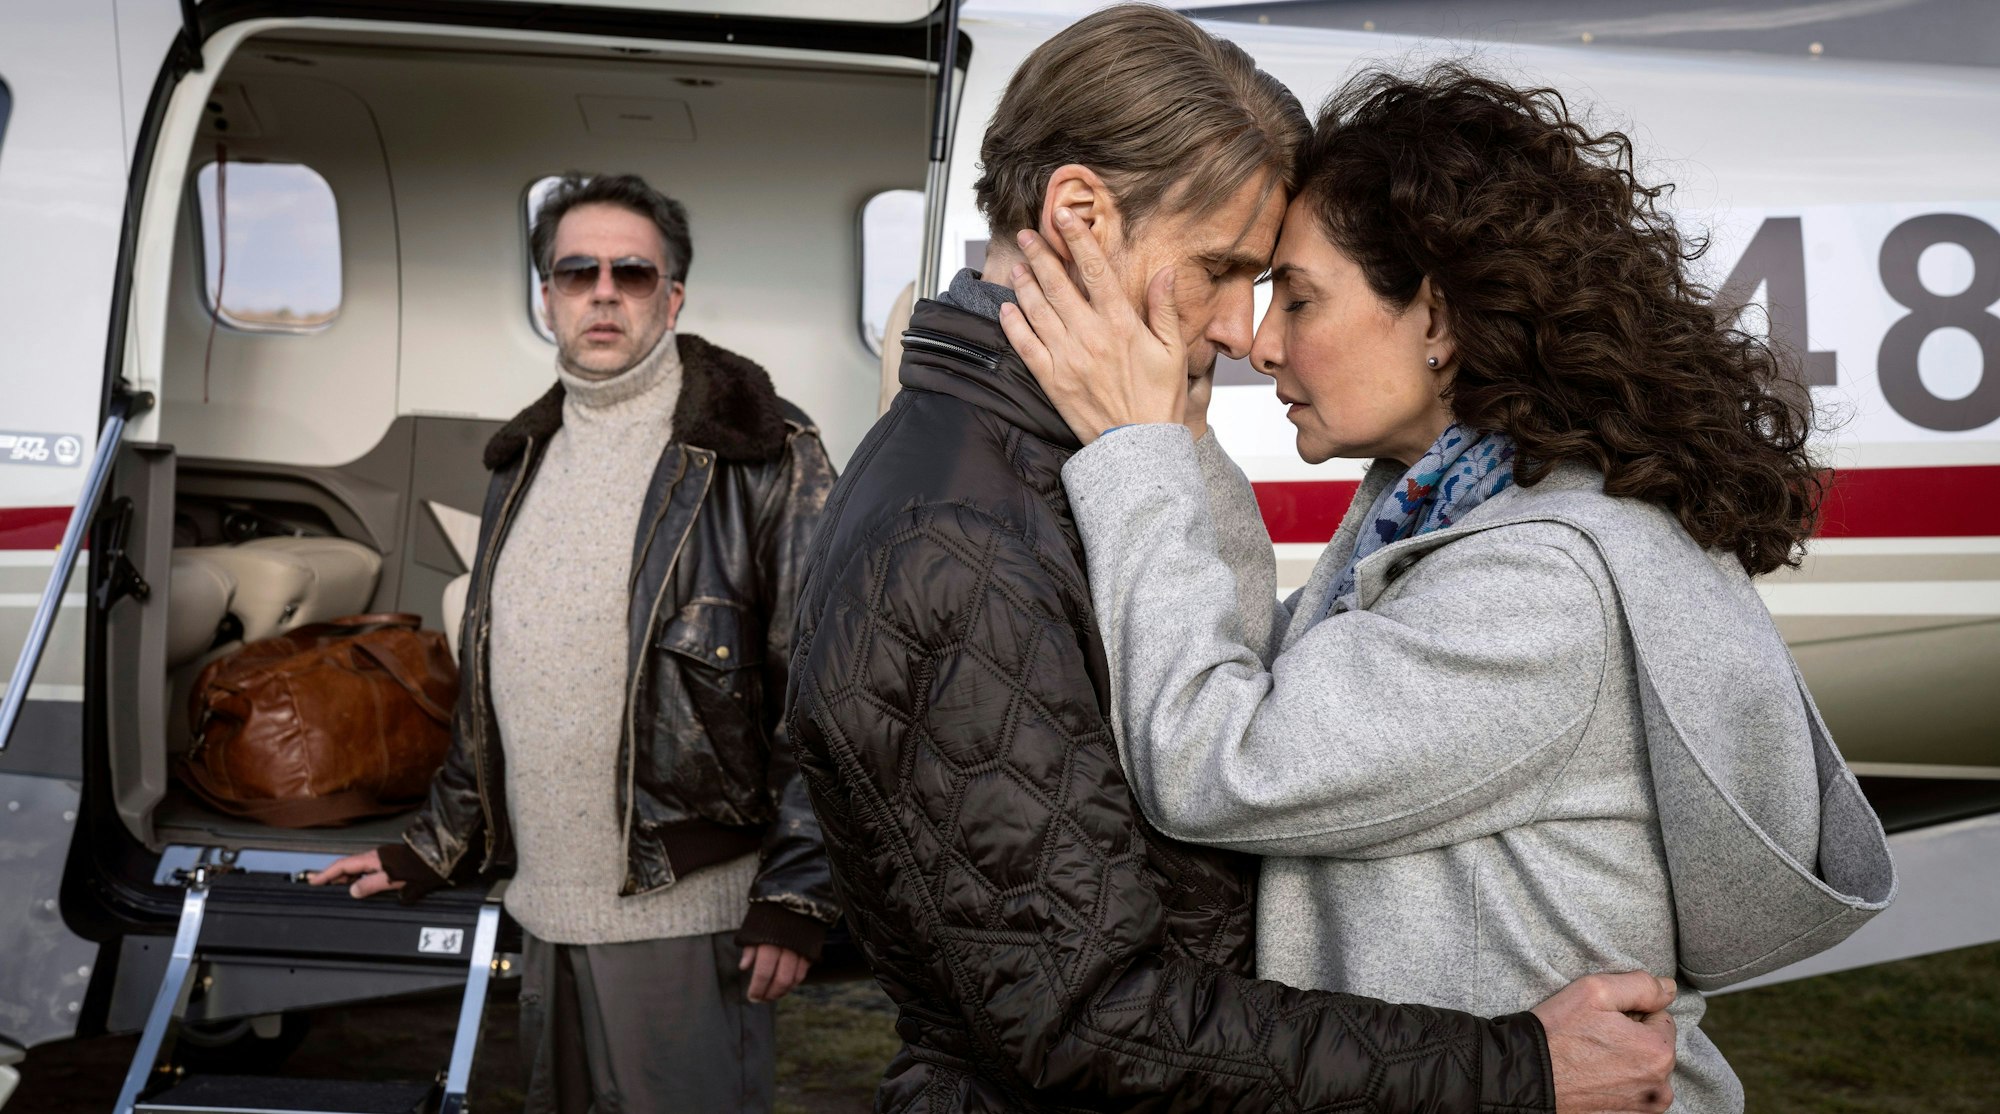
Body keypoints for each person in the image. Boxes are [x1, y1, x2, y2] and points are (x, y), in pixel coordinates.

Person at [786, 9, 1680, 1112]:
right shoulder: (955, 541)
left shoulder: (1064, 468)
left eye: (1271, 288)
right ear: (1075, 214)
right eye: (1219, 269)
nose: (1235, 330)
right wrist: (1512, 1069)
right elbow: (1085, 1023)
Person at [997, 65, 1898, 1112]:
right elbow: (1239, 670)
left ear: (1433, 316)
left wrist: (1136, 448)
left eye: (1296, 296)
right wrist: (1179, 432)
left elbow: (1216, 759)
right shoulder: (1435, 511)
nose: (1259, 340)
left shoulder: (1539, 581)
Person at [310, 172, 838, 1113]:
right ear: (547, 298)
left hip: (687, 909)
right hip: (546, 906)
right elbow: (497, 689)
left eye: (632, 274)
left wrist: (795, 899)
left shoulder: (763, 453)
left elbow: (828, 690)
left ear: (672, 297)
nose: (604, 292)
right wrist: (429, 849)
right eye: (577, 272)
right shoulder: (523, 458)